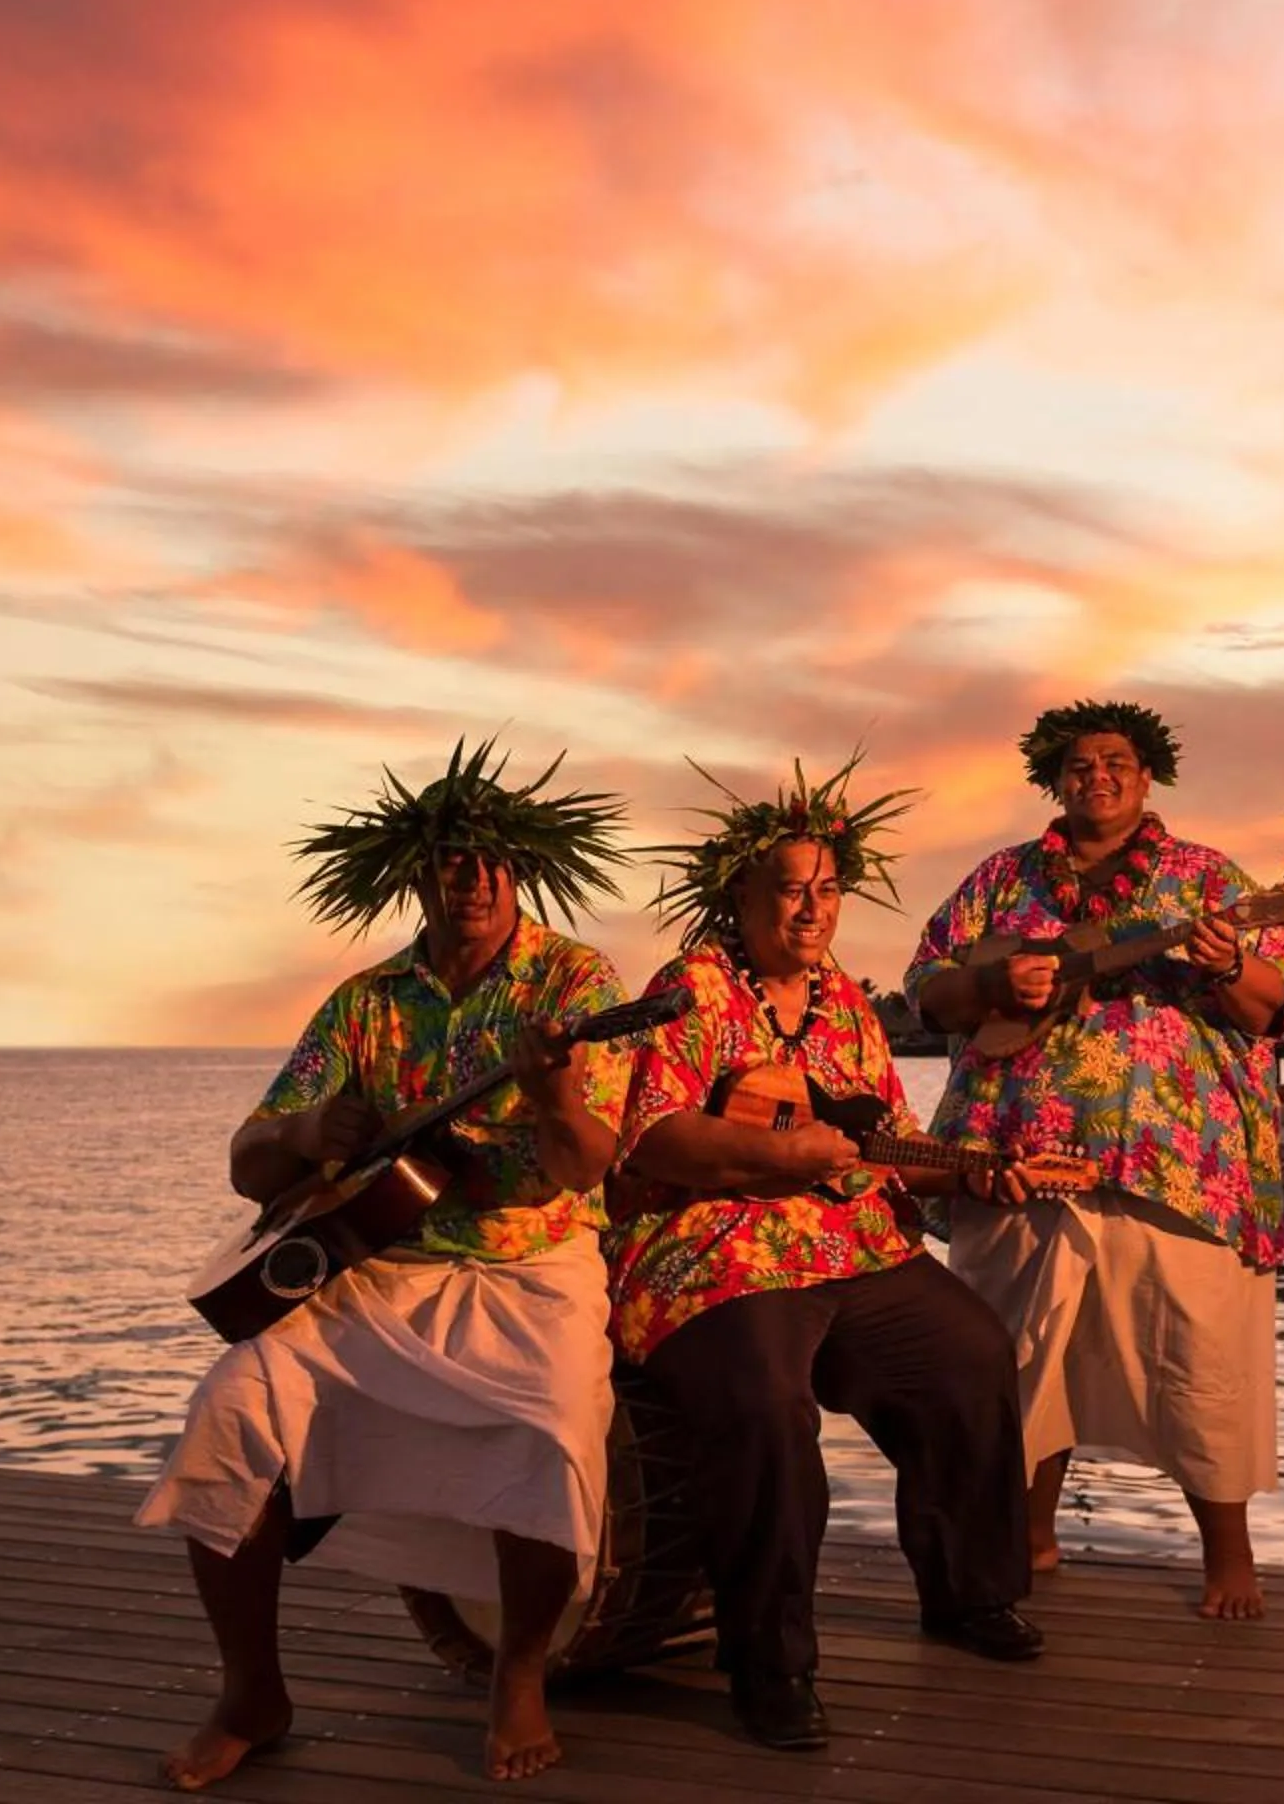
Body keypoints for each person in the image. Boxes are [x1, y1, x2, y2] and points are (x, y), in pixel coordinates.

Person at [136, 741, 635, 1786]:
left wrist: (549, 1095)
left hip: (527, 1264)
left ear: (523, 871)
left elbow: (585, 1165)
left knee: (554, 1418)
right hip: (376, 1267)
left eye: (497, 861)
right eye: (456, 861)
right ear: (416, 873)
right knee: (230, 1404)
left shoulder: (575, 982)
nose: (478, 880)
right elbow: (248, 1159)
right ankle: (251, 1689)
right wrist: (316, 1121)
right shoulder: (365, 1003)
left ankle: (520, 1671)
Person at [613, 756, 1042, 1752]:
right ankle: (770, 1662)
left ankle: (966, 1592)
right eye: (791, 887)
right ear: (743, 894)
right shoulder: (692, 987)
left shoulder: (846, 999)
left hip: (848, 1242)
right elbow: (654, 1133)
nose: (812, 907)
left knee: (971, 1352)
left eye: (827, 888)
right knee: (765, 1402)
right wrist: (775, 1152)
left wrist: (974, 1168)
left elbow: (883, 1137)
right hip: (713, 1246)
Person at [906, 701, 1284, 1620]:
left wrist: (1221, 966)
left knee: (1196, 1357)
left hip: (1175, 1161)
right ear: (1055, 779)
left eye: (1116, 760)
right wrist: (993, 982)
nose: (1098, 775)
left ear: (1147, 773)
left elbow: (1271, 1003)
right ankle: (1028, 1535)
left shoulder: (1210, 880)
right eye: (1080, 763)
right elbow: (928, 993)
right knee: (1020, 1358)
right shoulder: (1001, 881)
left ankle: (1228, 1556)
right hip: (1018, 1153)